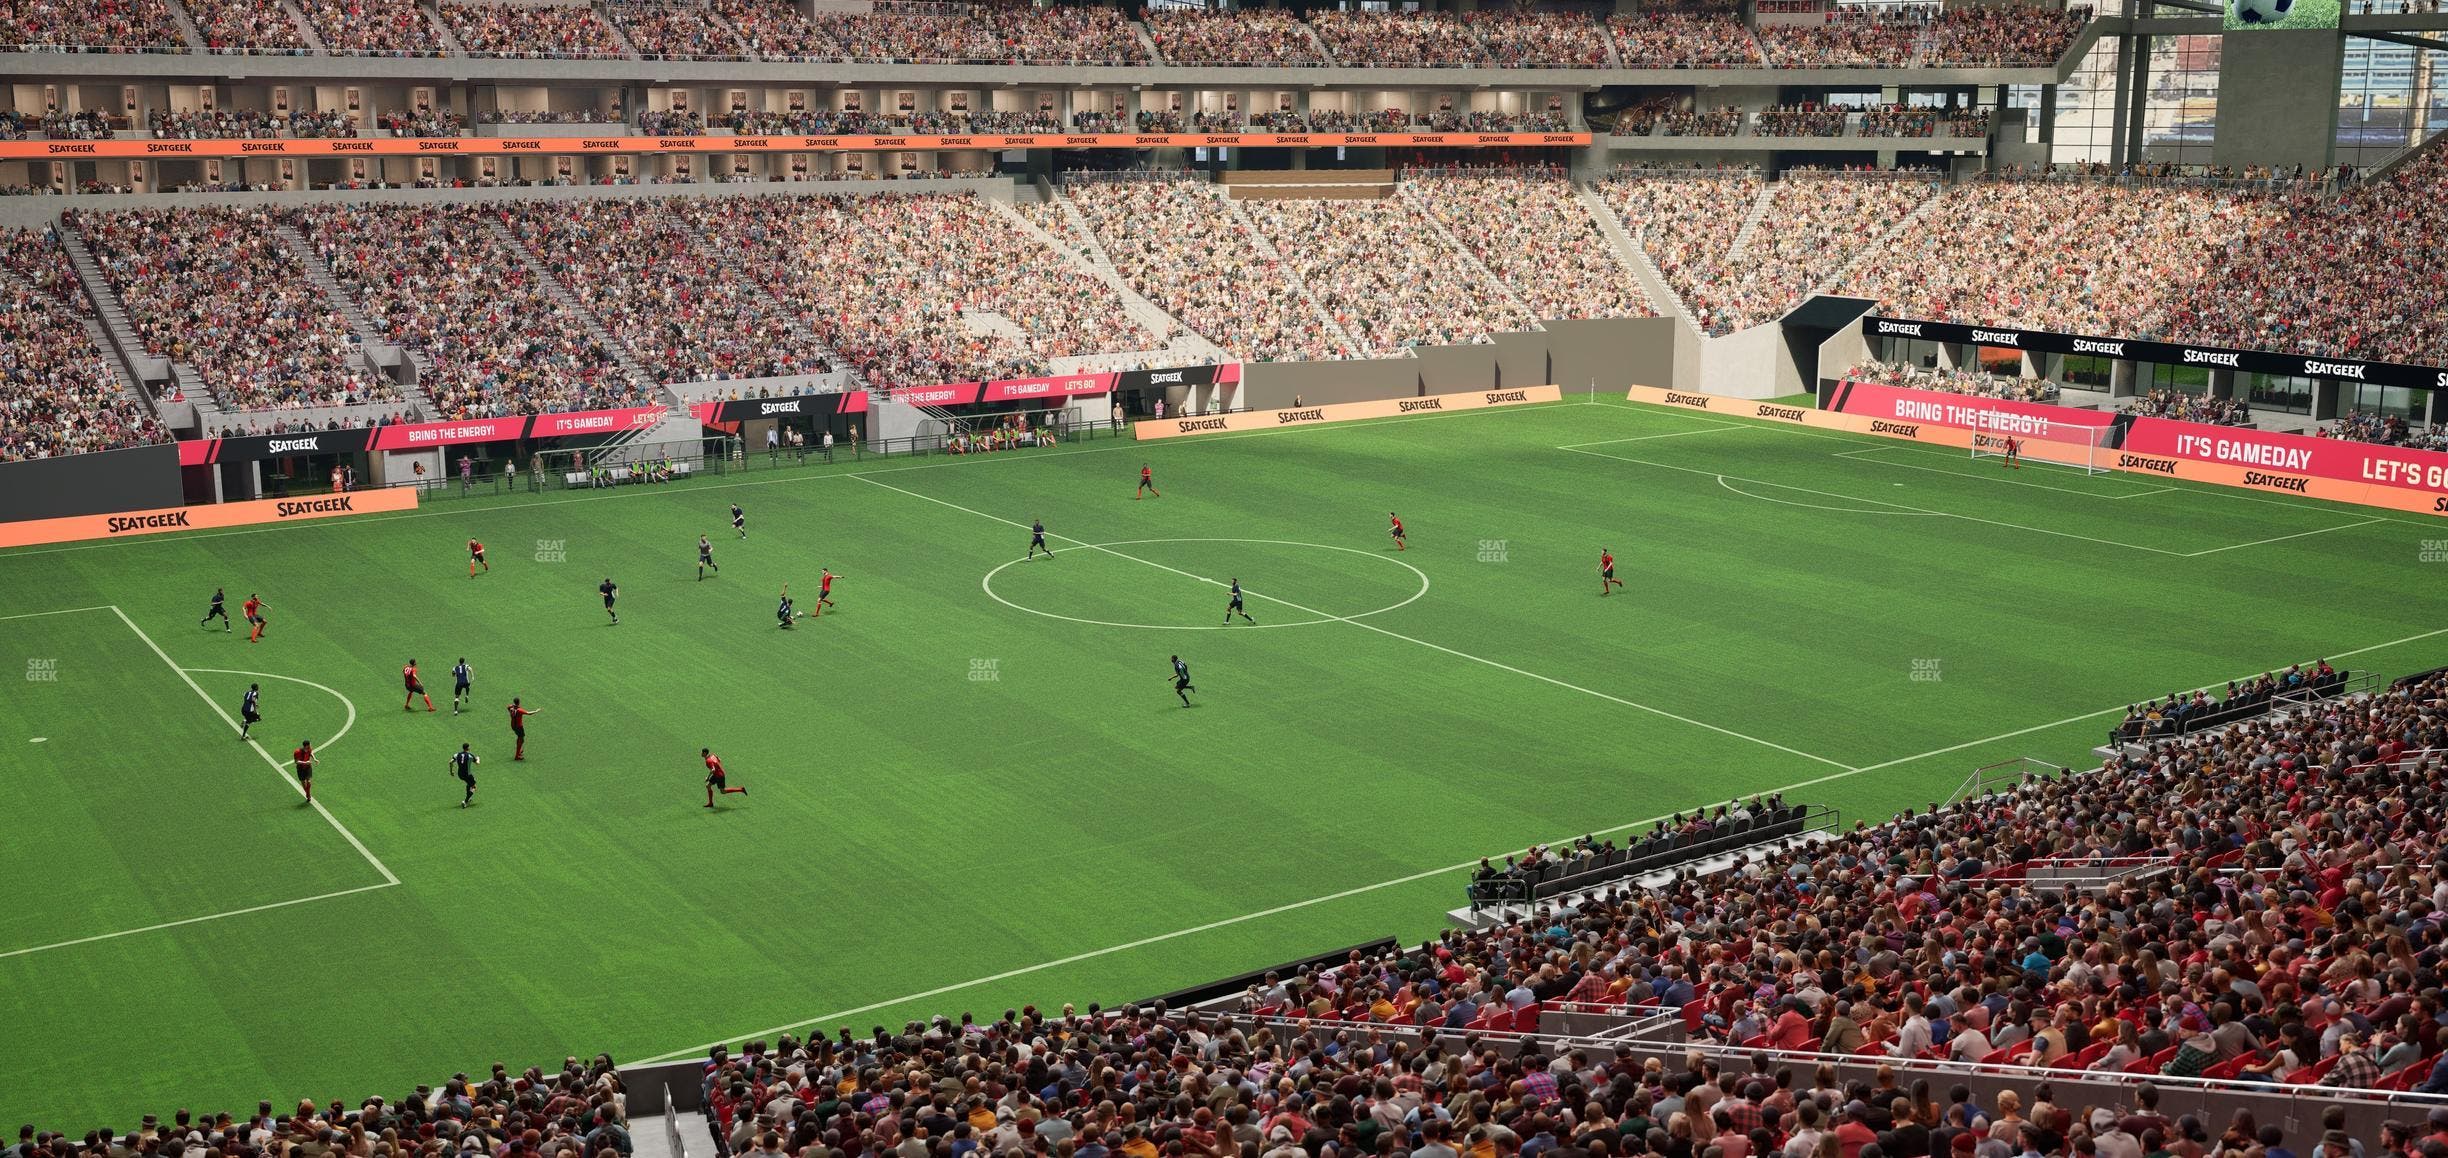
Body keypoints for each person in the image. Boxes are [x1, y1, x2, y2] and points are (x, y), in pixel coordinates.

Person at [450, 742, 480, 808]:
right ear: (468, 748)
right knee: (473, 787)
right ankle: (465, 801)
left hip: (460, 774)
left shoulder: (457, 754)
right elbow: (477, 763)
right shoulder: (470, 755)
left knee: (469, 785)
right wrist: (478, 758)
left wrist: (451, 771)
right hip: (468, 775)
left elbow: (450, 762)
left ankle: (468, 798)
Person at [292, 738, 316, 803]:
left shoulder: (309, 749)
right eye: (309, 744)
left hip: (308, 767)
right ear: (306, 746)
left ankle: (308, 794)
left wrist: (314, 758)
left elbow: (311, 753)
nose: (311, 745)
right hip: (300, 768)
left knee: (309, 781)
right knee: (303, 782)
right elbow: (296, 761)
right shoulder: (297, 752)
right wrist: (305, 762)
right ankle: (307, 794)